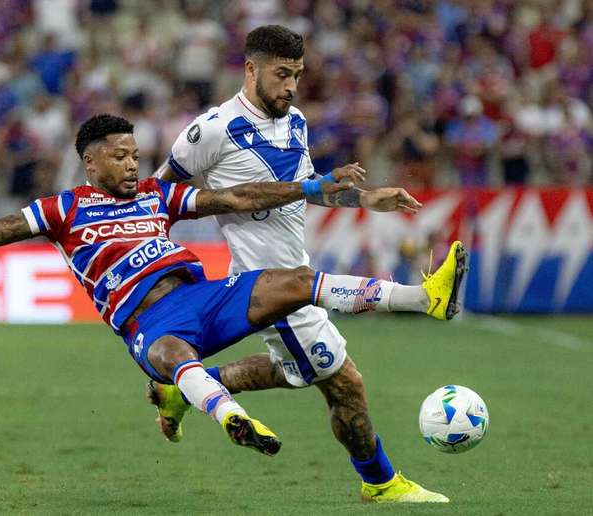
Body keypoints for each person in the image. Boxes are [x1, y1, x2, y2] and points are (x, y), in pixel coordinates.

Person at [0, 114, 464, 471]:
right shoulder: (63, 208)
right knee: (173, 359)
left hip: (205, 297)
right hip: (149, 323)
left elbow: (236, 199)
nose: (133, 164)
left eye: (136, 154)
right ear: (89, 161)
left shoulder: (157, 196)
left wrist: (312, 184)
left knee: (297, 283)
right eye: (120, 156)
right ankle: (234, 417)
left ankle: (424, 299)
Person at [154, 25, 457, 503]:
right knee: (345, 384)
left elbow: (307, 189)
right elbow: (157, 199)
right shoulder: (210, 130)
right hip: (273, 288)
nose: (291, 86)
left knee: (295, 370)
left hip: (296, 270)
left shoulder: (295, 121)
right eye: (281, 74)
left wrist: (367, 198)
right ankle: (380, 482)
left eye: (297, 74)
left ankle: (191, 386)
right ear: (251, 69)